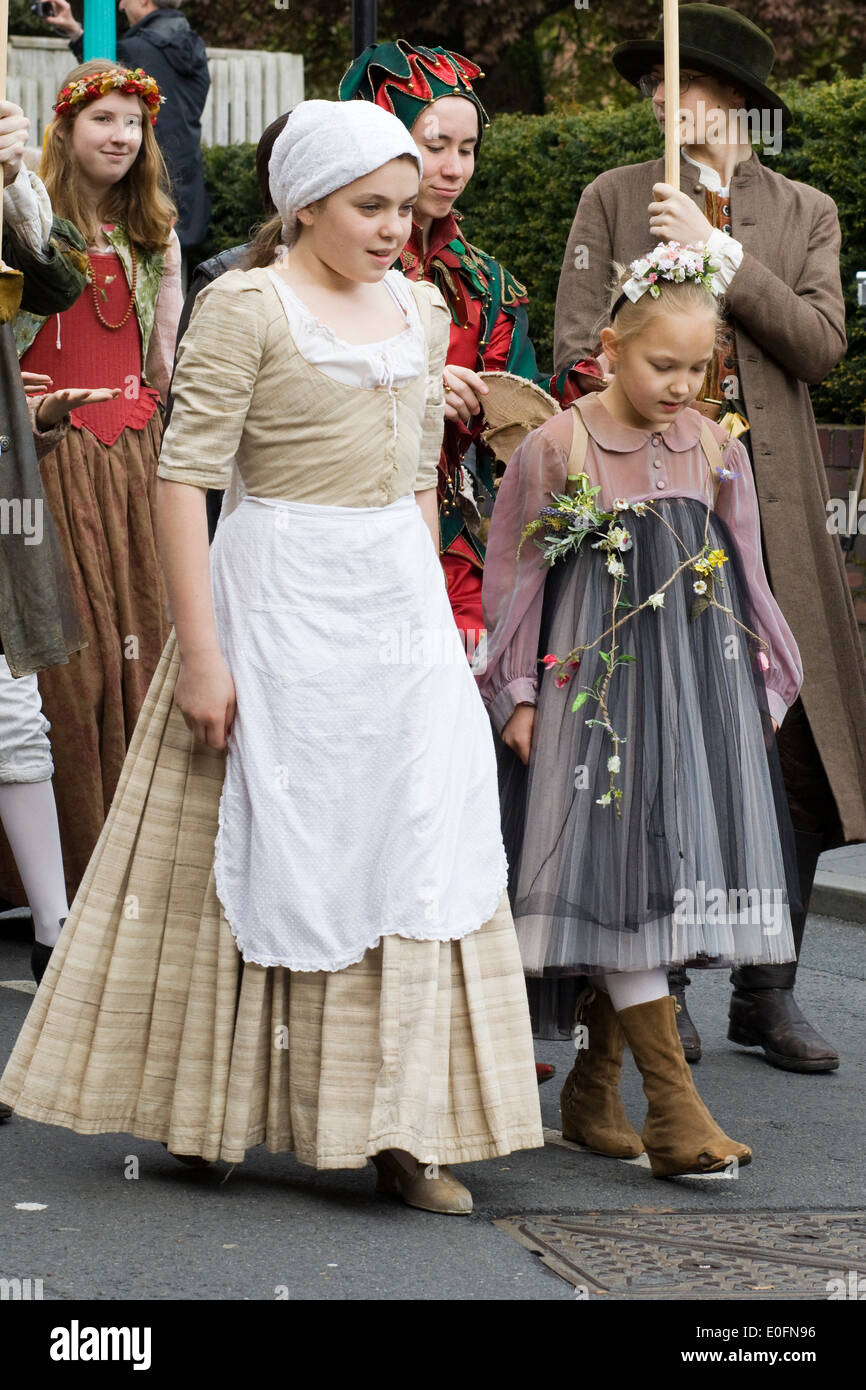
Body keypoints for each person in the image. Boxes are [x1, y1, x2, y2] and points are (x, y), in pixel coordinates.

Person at [0, 99, 543, 1211]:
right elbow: (183, 475)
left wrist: (442, 634)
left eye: (403, 205)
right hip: (273, 593)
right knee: (246, 853)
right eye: (368, 206)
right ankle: (210, 1112)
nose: (394, 226)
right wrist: (201, 657)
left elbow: (409, 487)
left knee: (411, 847)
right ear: (302, 206)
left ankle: (404, 1125)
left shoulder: (421, 308)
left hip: (392, 609)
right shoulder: (244, 304)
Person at [553, 1, 864, 1072]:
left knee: (784, 750)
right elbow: (573, 346)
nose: (655, 98)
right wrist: (656, 273)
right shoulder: (610, 200)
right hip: (651, 512)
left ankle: (765, 988)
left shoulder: (802, 211)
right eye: (648, 86)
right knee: (657, 739)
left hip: (768, 522)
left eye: (675, 83)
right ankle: (660, 985)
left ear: (729, 103)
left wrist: (718, 252)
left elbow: (820, 344)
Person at [478, 245, 801, 1177]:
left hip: (697, 696)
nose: (683, 385)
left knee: (668, 878)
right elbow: (519, 576)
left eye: (699, 369)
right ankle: (674, 1109)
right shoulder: (560, 445)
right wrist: (520, 692)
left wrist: (763, 680)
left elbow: (745, 572)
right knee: (619, 883)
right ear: (610, 349)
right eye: (664, 365)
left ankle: (591, 1088)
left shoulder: (713, 446)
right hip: (599, 702)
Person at [340, 41, 602, 657]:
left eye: (468, 148)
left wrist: (593, 390)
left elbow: (525, 420)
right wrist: (419, 389)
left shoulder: (490, 282)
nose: (455, 168)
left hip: (470, 540)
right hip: (356, 529)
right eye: (435, 146)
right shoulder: (328, 272)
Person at [0, 62, 182, 914]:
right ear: (65, 130)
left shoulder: (157, 237)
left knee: (139, 642)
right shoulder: (27, 223)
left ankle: (137, 861)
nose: (120, 135)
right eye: (102, 118)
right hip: (51, 456)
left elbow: (164, 362)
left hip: (134, 457)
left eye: (133, 124)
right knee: (68, 660)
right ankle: (57, 870)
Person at [44, 0, 210, 252]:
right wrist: (77, 32)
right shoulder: (196, 49)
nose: (120, 6)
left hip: (138, 193)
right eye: (103, 119)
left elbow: (99, 83)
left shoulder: (136, 52)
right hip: (188, 191)